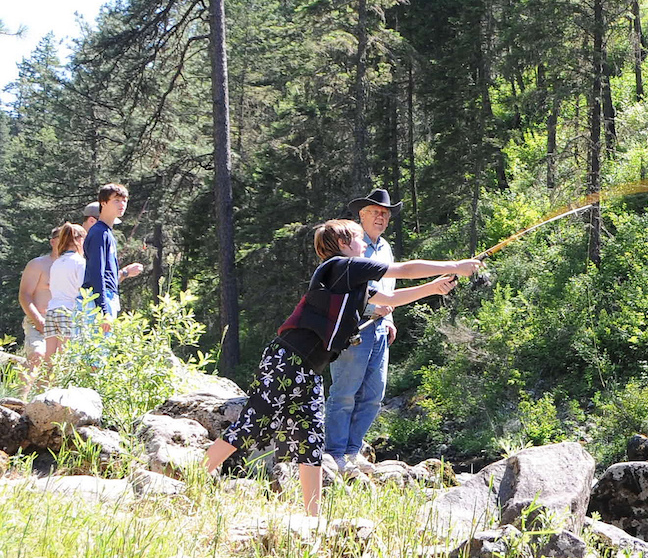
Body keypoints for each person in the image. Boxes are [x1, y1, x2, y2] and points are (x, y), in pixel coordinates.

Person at [202, 219, 483, 516]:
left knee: (311, 441)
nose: (364, 246)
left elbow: (389, 298)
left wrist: (433, 289)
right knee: (254, 425)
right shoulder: (344, 266)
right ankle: (196, 476)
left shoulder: (347, 278)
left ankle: (314, 517)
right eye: (360, 241)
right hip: (287, 361)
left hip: (309, 370)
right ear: (344, 244)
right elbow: (404, 269)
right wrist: (455, 265)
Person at [325, 188, 402, 475]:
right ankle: (334, 454)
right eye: (375, 212)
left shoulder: (386, 248)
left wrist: (391, 318)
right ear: (361, 215)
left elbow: (389, 289)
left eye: (385, 213)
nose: (381, 217)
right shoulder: (350, 248)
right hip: (354, 327)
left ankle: (352, 452)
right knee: (345, 393)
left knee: (373, 395)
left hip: (381, 329)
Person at [81, 184, 142, 323]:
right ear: (103, 202)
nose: (122, 204)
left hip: (107, 298)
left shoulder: (107, 233)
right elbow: (97, 272)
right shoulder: (99, 233)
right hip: (98, 302)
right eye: (116, 200)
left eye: (124, 200)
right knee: (99, 344)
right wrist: (104, 311)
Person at [17, 226, 62, 366]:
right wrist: (38, 321)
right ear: (52, 242)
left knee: (55, 367)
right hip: (38, 323)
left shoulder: (76, 265)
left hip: (64, 325)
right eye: (63, 239)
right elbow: (24, 295)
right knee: (37, 354)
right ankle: (21, 388)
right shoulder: (38, 264)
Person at [44, 223, 89, 358]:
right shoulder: (80, 262)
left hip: (52, 311)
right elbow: (83, 289)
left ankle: (43, 379)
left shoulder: (57, 262)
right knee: (66, 357)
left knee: (50, 358)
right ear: (80, 240)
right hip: (69, 310)